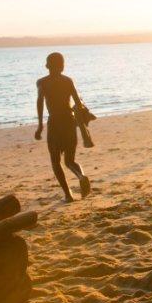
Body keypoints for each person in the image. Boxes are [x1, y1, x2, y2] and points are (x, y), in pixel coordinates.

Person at [36, 52, 91, 201]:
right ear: (62, 66)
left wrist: (40, 125)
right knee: (70, 160)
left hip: (54, 123)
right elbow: (78, 104)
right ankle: (81, 176)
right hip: (69, 122)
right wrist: (83, 124)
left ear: (47, 65)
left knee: (55, 161)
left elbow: (40, 102)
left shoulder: (42, 82)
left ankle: (68, 195)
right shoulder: (68, 81)